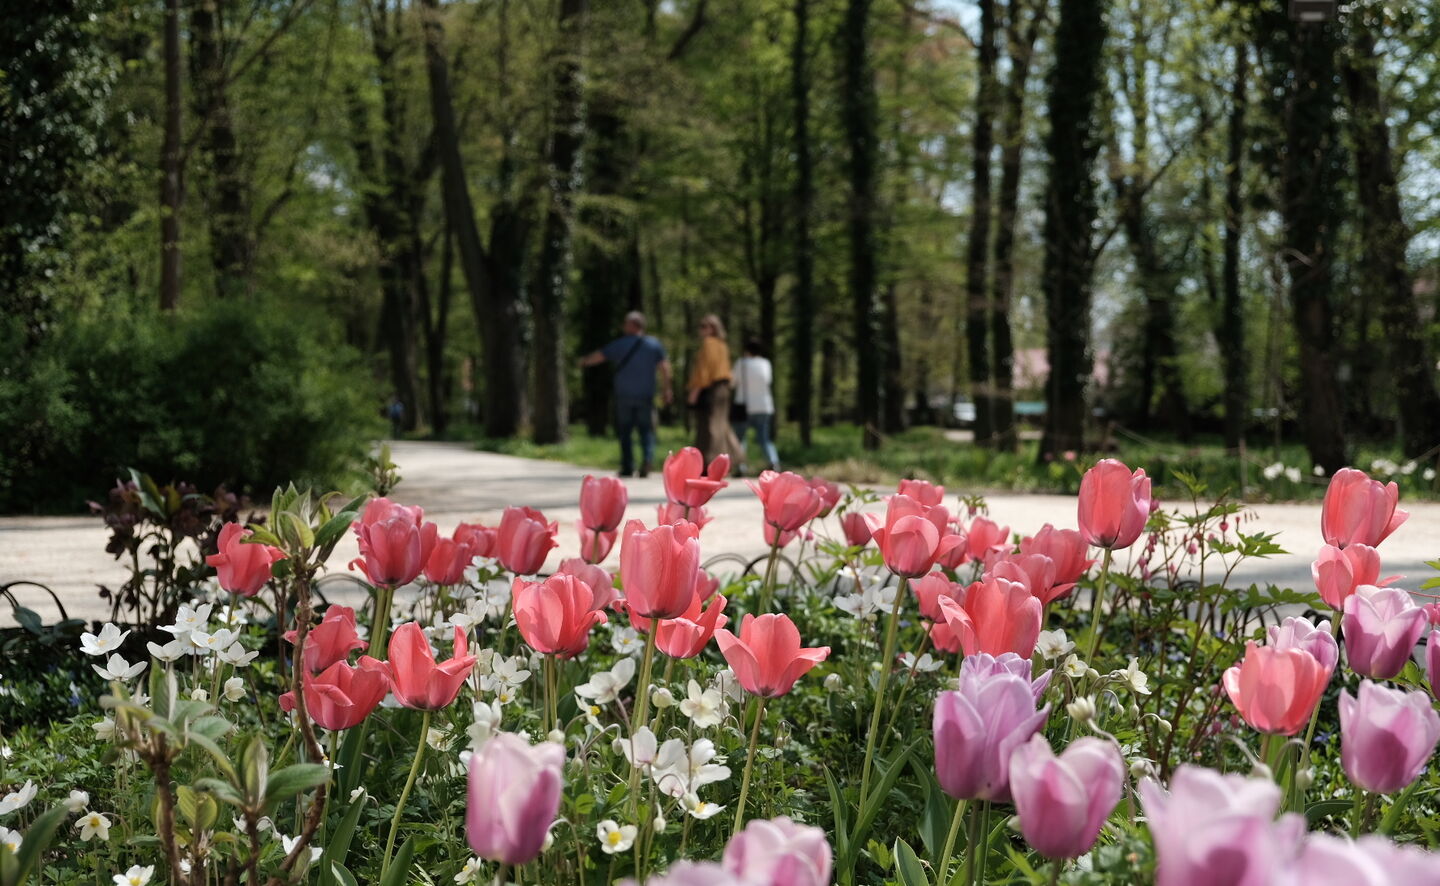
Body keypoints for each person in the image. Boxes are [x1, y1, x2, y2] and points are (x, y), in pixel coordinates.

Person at [580, 311, 673, 477]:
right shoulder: (654, 345)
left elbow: (599, 356)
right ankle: (647, 460)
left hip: (624, 395)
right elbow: (665, 368)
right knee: (646, 430)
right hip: (646, 395)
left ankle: (628, 466)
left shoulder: (621, 344)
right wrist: (667, 389)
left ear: (632, 325)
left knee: (625, 431)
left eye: (625, 323)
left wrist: (584, 361)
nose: (623, 326)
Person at [686, 314, 742, 465]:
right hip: (724, 388)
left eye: (703, 326)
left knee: (710, 426)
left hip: (711, 389)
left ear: (712, 328)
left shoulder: (708, 343)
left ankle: (710, 462)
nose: (700, 329)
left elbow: (703, 371)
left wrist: (694, 393)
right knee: (721, 424)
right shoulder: (723, 345)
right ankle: (733, 457)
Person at [732, 338, 780, 473]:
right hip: (764, 406)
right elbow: (768, 381)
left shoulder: (741, 363)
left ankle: (741, 465)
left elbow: (733, 382)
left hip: (744, 406)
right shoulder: (766, 363)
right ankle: (773, 462)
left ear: (746, 350)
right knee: (764, 439)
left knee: (740, 439)